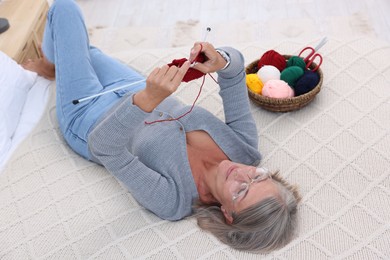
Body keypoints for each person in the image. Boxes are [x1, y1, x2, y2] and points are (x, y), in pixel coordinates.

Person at [23, 0, 301, 253]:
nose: (242, 174)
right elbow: (235, 71)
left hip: (90, 115)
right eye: (259, 177)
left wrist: (147, 100)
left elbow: (105, 147)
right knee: (80, 47)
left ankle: (51, 66)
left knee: (64, 9)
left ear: (228, 214)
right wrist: (220, 60)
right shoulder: (245, 150)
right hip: (135, 88)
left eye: (241, 191)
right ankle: (57, 65)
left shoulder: (174, 200)